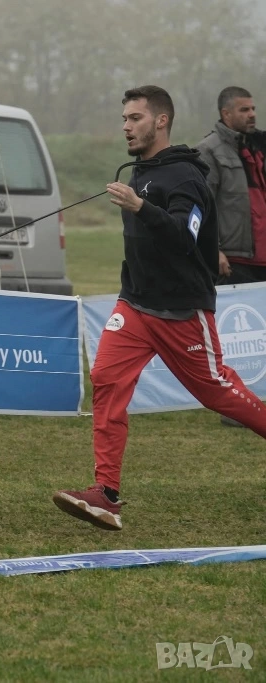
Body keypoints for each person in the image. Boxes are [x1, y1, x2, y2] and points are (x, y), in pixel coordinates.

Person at [53, 85, 266, 532]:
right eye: (124, 119)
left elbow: (184, 236)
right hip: (135, 304)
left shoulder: (186, 177)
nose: (126, 126)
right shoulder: (140, 172)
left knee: (217, 392)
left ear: (161, 121)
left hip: (182, 311)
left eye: (135, 118)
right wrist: (139, 203)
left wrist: (140, 206)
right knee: (106, 378)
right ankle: (106, 495)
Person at [195, 87, 266, 428]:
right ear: (226, 114)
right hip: (234, 260)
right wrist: (214, 250)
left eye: (253, 108)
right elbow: (200, 206)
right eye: (243, 110)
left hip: (262, 256)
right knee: (237, 340)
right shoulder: (208, 151)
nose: (252, 114)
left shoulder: (258, 147)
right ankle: (236, 408)